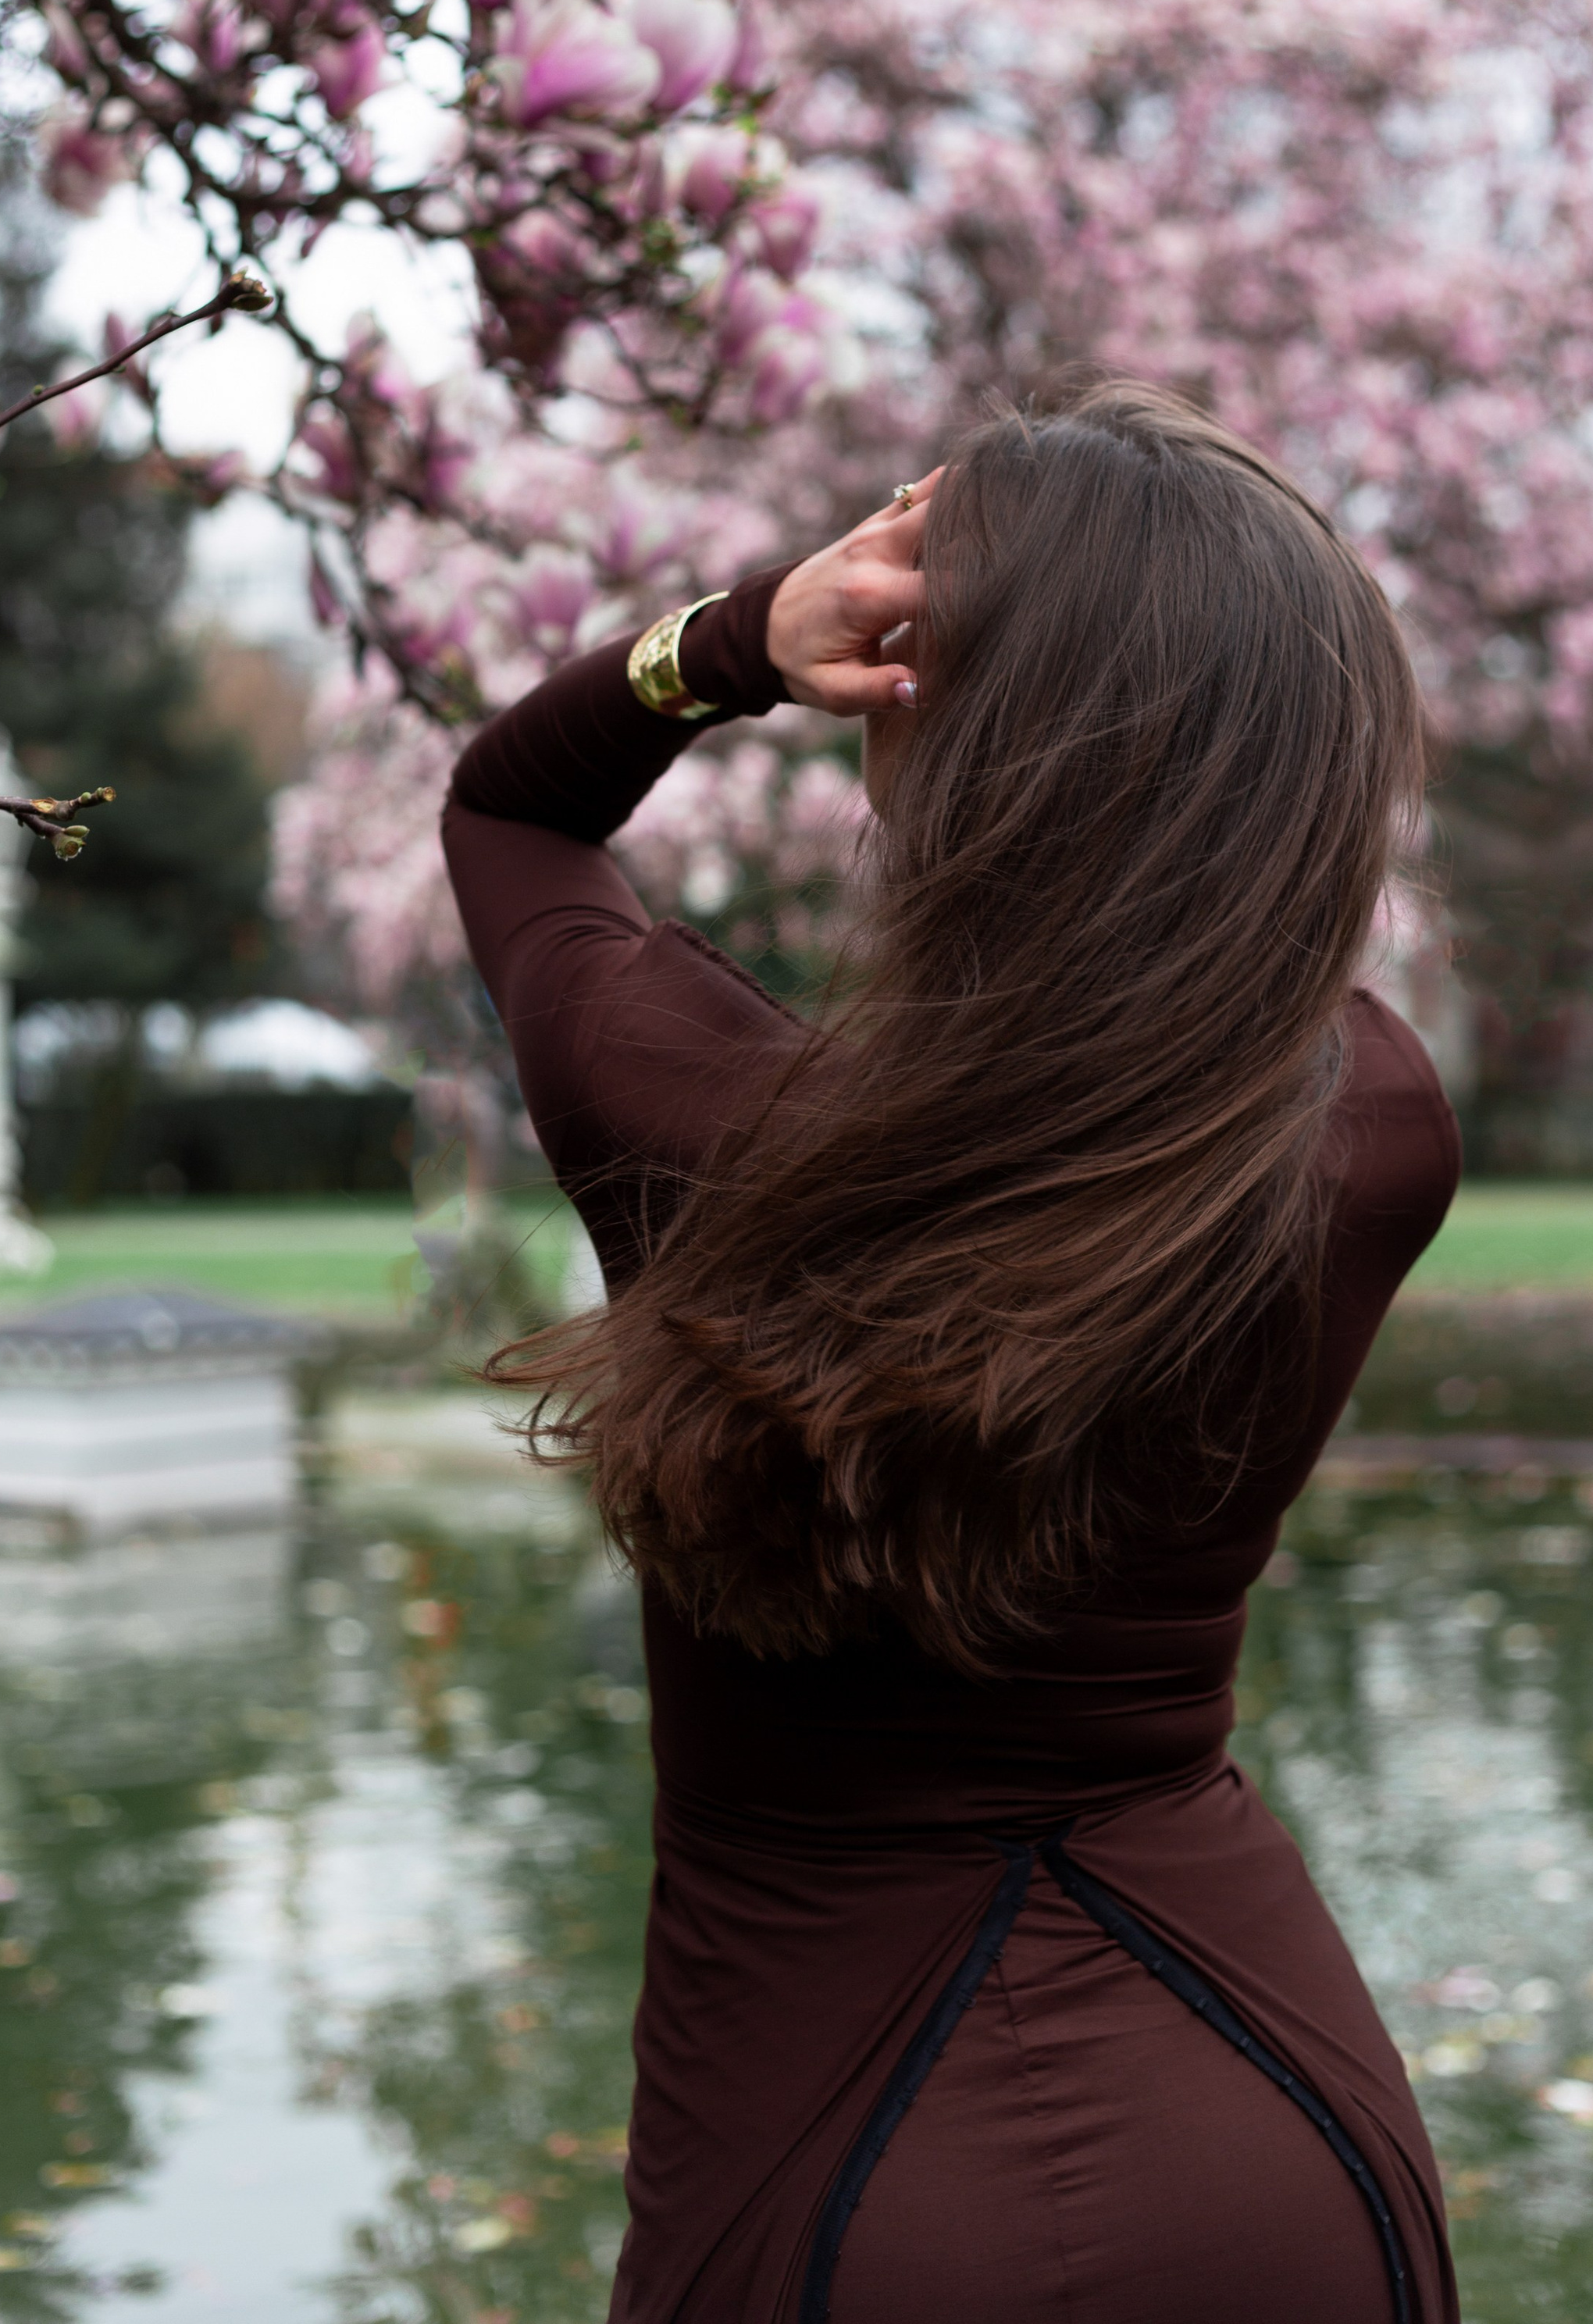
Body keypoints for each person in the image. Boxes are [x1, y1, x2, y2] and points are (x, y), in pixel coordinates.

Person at [441, 381, 1463, 2324]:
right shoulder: (1366, 1136)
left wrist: (738, 638)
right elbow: (1227, 927)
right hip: (1281, 2136)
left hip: (840, 2168)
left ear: (926, 715)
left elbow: (509, 804)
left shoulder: (691, 1123)